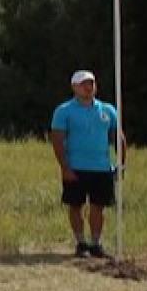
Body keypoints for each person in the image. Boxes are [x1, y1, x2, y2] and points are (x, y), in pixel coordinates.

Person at [49, 70, 124, 259]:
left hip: (102, 168)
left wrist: (121, 163)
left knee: (98, 206)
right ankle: (81, 242)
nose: (88, 87)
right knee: (75, 205)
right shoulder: (64, 111)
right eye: (83, 84)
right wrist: (65, 167)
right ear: (74, 87)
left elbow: (118, 137)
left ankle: (96, 243)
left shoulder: (107, 110)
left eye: (91, 83)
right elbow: (57, 140)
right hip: (76, 167)